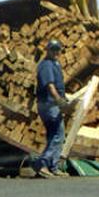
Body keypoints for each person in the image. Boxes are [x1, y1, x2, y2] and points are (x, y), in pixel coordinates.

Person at [32, 39, 70, 178]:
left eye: (57, 50)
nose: (56, 52)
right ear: (47, 50)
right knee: (58, 135)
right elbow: (50, 86)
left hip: (51, 104)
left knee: (53, 135)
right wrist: (59, 100)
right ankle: (41, 164)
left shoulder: (56, 63)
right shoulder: (46, 65)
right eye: (53, 50)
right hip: (49, 104)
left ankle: (52, 167)